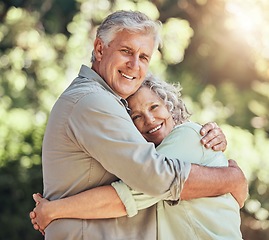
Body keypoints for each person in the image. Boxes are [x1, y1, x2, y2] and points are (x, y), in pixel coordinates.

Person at [30, 10, 247, 239]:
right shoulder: (94, 101)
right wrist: (230, 178)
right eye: (126, 51)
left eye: (144, 56)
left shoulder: (187, 136)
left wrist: (55, 210)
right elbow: (153, 178)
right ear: (100, 49)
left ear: (169, 104)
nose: (134, 64)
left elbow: (145, 182)